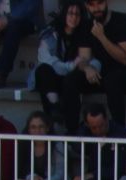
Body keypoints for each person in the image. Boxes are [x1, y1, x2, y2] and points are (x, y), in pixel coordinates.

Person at [28, 1, 92, 130]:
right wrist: (71, 65)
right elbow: (48, 61)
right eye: (70, 13)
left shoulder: (85, 34)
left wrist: (83, 67)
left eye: (77, 14)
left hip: (73, 80)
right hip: (52, 78)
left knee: (71, 81)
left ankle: (71, 133)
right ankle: (54, 109)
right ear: (64, 14)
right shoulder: (49, 34)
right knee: (43, 71)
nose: (73, 17)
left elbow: (89, 60)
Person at [82, 0, 126, 122]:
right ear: (86, 6)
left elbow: (125, 59)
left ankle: (119, 132)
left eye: (99, 3)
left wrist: (101, 37)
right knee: (72, 79)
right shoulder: (87, 25)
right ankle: (70, 132)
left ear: (107, 2)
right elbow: (83, 57)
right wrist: (87, 68)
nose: (96, 8)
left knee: (112, 79)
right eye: (91, 5)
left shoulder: (123, 21)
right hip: (102, 75)